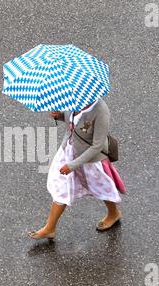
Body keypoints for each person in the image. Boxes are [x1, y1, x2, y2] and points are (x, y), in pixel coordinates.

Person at [29, 99, 126, 240]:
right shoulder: (72, 99)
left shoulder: (100, 111)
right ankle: (50, 227)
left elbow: (97, 146)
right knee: (61, 188)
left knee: (101, 187)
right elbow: (72, 121)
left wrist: (73, 165)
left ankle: (114, 213)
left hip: (90, 159)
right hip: (68, 152)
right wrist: (59, 115)